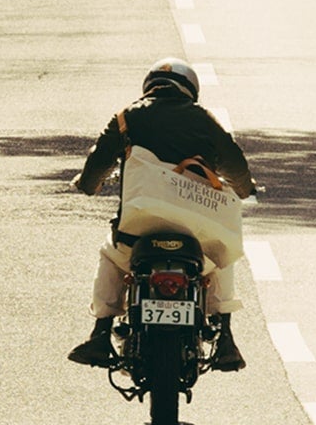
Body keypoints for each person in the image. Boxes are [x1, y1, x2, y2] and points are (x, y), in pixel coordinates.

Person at [69, 58, 255, 371]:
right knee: (221, 253)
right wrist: (245, 189)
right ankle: (225, 336)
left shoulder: (126, 117)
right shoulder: (204, 119)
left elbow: (97, 162)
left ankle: (101, 333)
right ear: (190, 89)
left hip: (137, 229)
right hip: (195, 229)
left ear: (149, 86)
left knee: (111, 257)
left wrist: (88, 185)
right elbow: (234, 163)